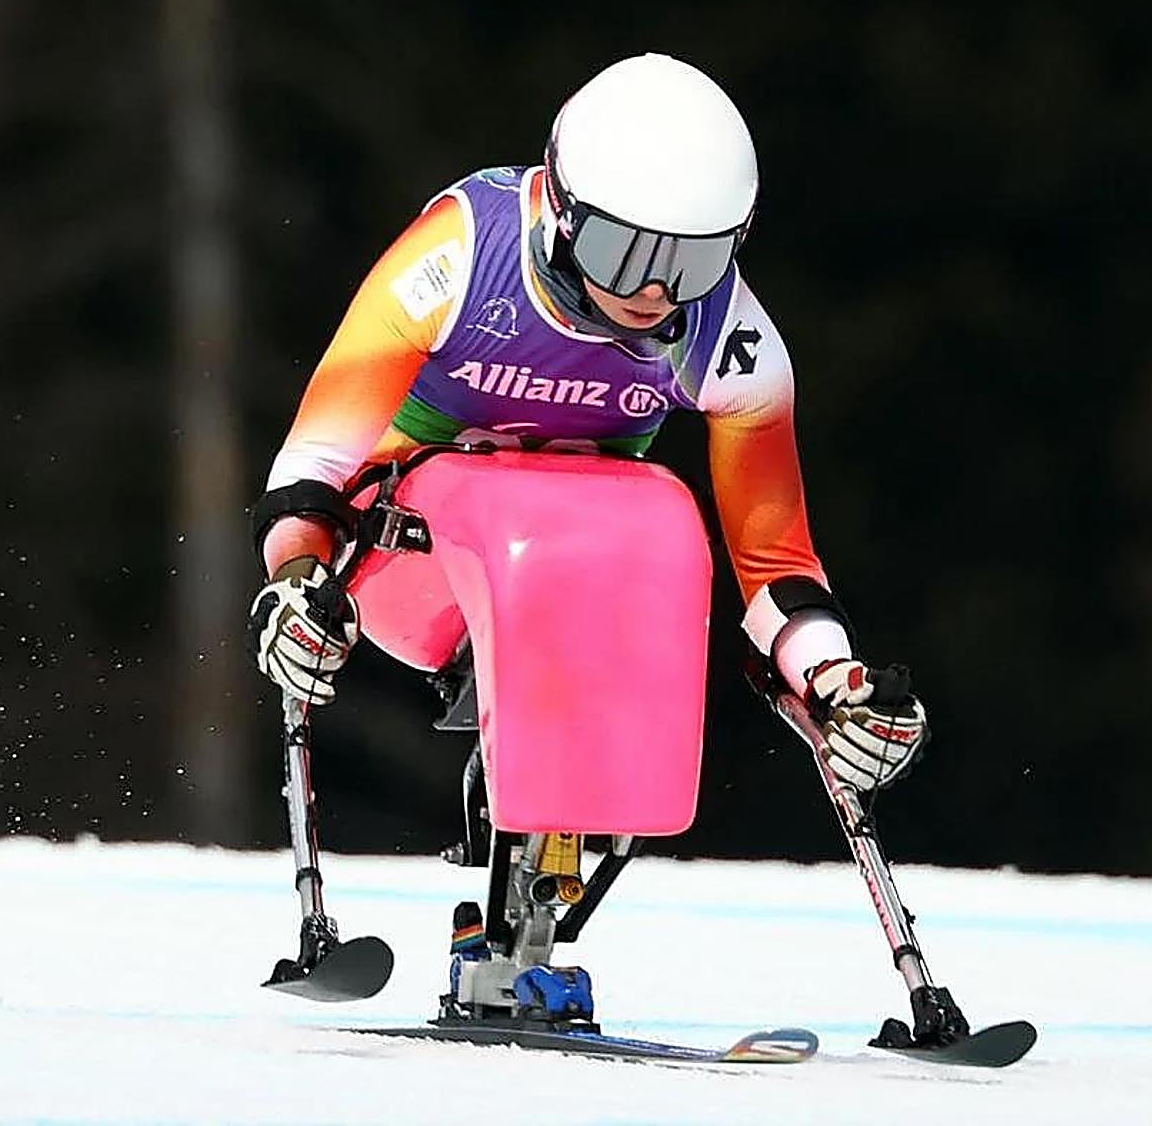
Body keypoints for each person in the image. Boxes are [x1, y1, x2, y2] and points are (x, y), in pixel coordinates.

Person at [247, 52, 926, 803]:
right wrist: (297, 581)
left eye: (696, 261)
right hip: (409, 567)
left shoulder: (735, 343)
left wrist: (835, 681)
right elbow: (314, 460)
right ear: (564, 213)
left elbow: (775, 565)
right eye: (624, 251)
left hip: (585, 576)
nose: (657, 290)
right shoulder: (462, 258)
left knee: (668, 519)